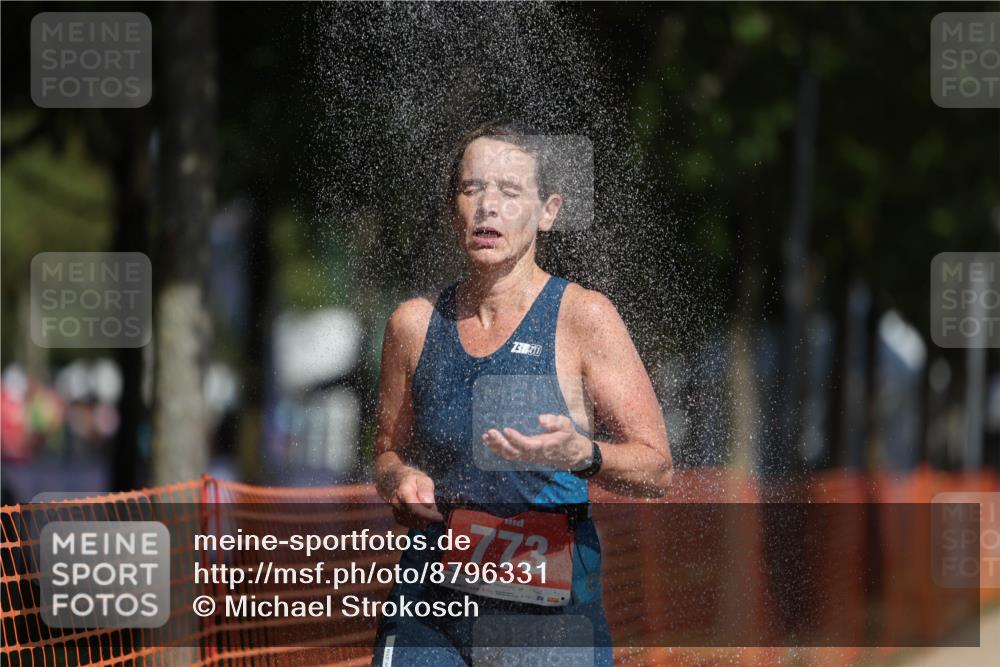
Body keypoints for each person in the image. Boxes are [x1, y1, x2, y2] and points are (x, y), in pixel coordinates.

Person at [371, 122, 672, 666]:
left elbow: (657, 470)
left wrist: (584, 454)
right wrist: (399, 480)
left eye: (509, 192)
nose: (488, 206)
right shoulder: (413, 326)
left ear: (548, 211)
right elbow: (386, 454)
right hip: (431, 599)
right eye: (472, 190)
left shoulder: (582, 317)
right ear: (454, 208)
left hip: (545, 605)